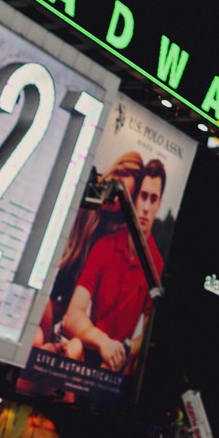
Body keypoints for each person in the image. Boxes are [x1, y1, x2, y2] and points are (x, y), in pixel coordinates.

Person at [62, 158, 168, 373]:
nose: (146, 207)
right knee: (72, 350)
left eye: (153, 199)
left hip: (121, 364)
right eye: (143, 197)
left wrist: (124, 352)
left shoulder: (157, 264)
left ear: (159, 204)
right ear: (134, 198)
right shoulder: (105, 246)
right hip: (90, 347)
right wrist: (103, 342)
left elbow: (150, 333)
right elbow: (72, 316)